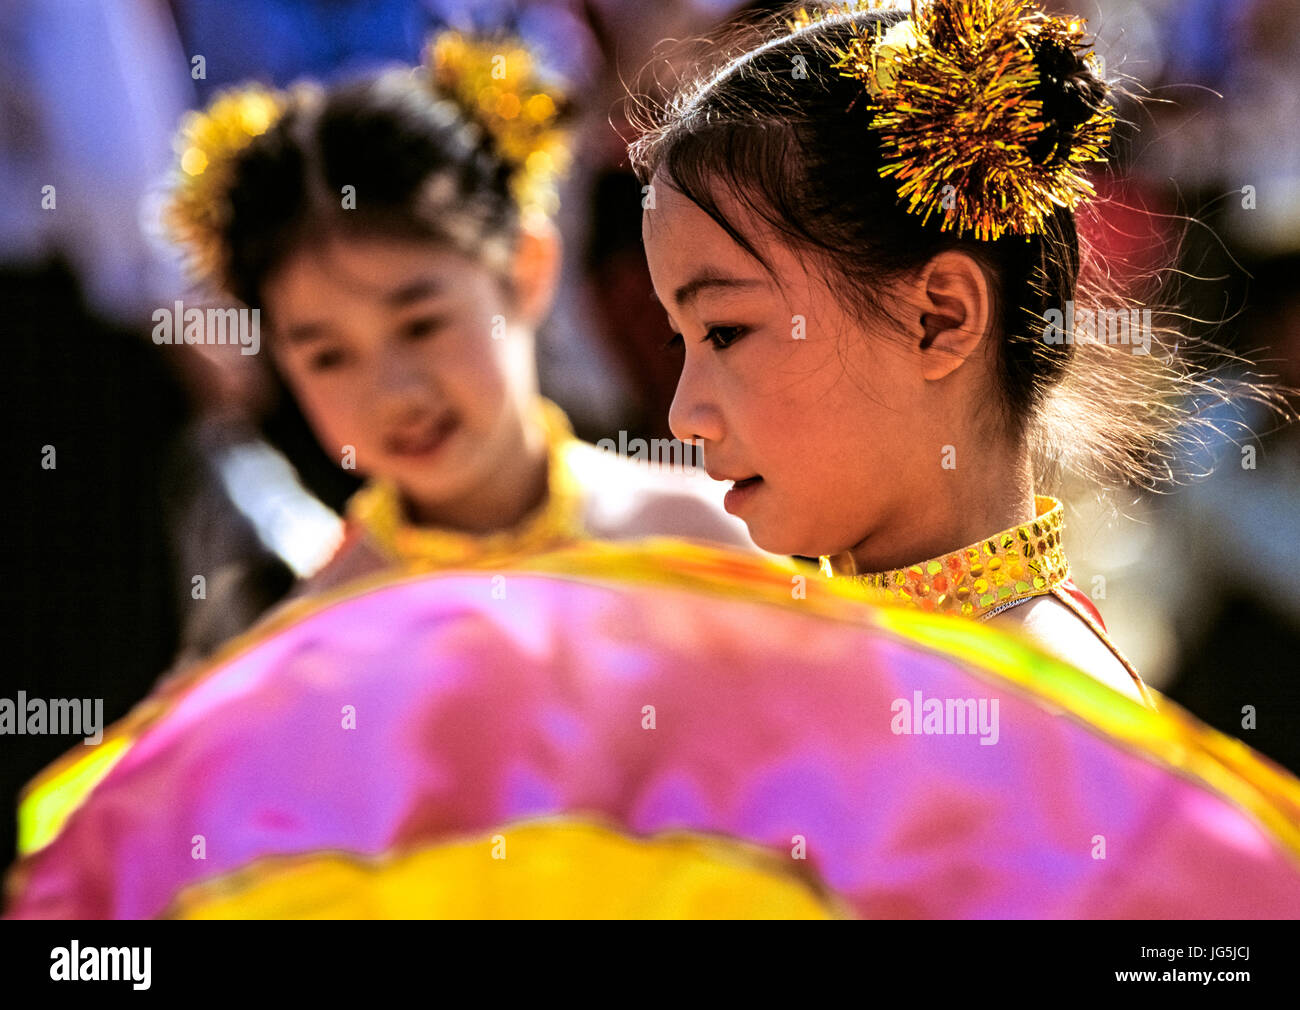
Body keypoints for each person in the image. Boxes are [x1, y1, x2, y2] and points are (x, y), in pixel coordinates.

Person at [630, 0, 1282, 707]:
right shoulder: (794, 650)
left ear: (941, 318)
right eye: (681, 339)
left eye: (725, 332)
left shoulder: (1047, 720)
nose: (683, 416)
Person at [163, 29, 753, 603]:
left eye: (421, 324)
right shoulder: (325, 633)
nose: (395, 391)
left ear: (526, 268)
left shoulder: (697, 548)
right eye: (327, 356)